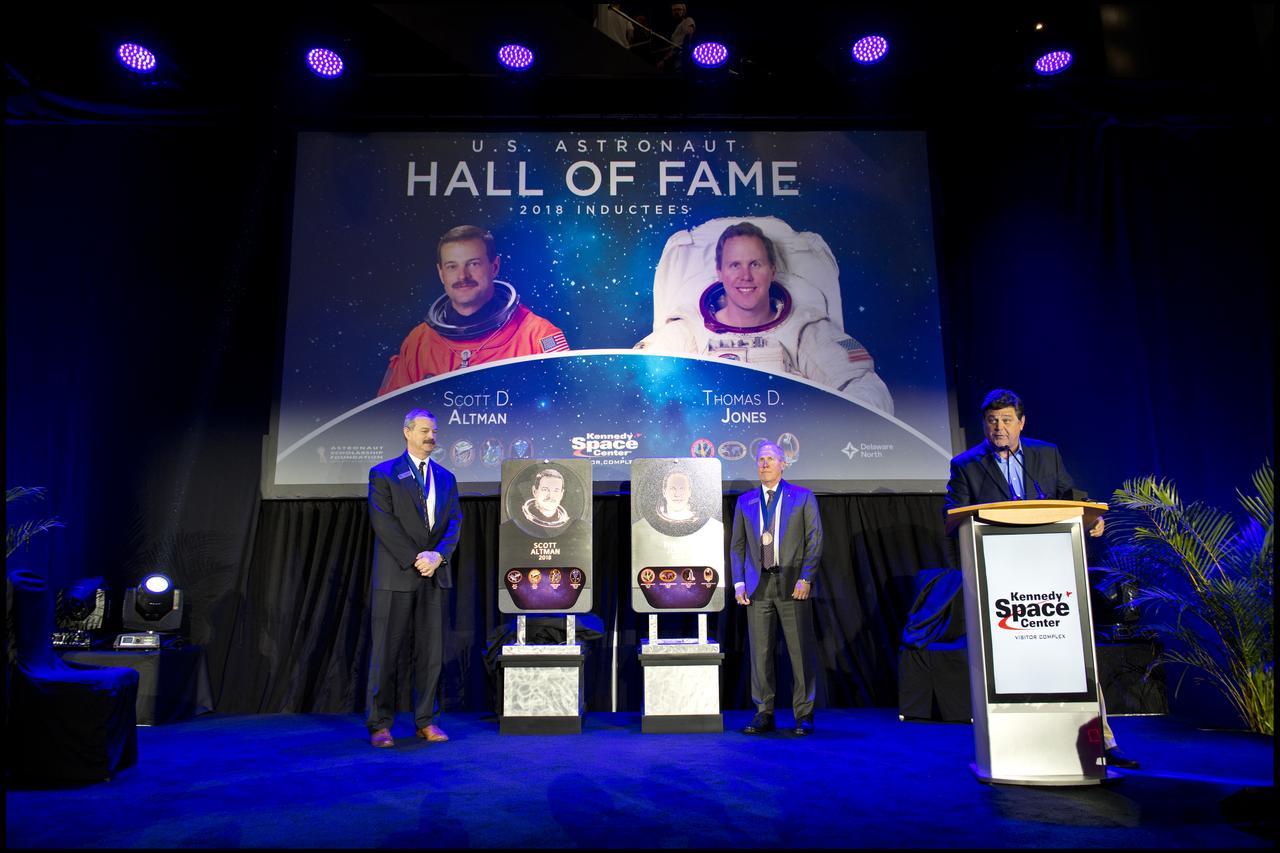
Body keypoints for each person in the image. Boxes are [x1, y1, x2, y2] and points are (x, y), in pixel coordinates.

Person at [944, 388, 1138, 769]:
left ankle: (1103, 742)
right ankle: (1016, 745)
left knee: (1073, 654)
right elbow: (955, 516)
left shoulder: (1045, 454)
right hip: (1000, 576)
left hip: (1053, 572)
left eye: (1006, 421)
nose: (999, 428)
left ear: (1021, 422)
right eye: (992, 421)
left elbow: (1070, 498)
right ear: (985, 424)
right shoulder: (965, 464)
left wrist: (1093, 519)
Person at [635, 220, 894, 414]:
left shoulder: (805, 329)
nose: (745, 276)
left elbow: (867, 391)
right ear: (720, 273)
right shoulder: (688, 330)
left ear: (772, 271)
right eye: (735, 265)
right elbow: (634, 382)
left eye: (755, 264)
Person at [365, 408, 463, 748]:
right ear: (407, 432)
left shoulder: (446, 477)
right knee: (386, 654)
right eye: (424, 430)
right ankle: (379, 724)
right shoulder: (383, 473)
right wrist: (415, 558)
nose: (430, 436)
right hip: (397, 575)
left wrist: (438, 556)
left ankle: (426, 721)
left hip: (434, 576)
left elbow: (453, 523)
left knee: (430, 655)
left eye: (434, 431)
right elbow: (384, 524)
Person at [378, 225, 569, 395]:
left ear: (494, 267)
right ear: (441, 274)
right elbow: (387, 418)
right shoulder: (418, 342)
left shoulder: (538, 337)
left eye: (473, 264)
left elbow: (567, 412)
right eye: (452, 266)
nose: (462, 276)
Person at [730, 441, 823, 736]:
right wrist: (739, 581)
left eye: (770, 459)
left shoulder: (803, 497)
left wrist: (806, 578)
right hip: (758, 587)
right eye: (760, 460)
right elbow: (737, 546)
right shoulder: (746, 501)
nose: (764, 464)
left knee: (799, 652)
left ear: (783, 464)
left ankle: (804, 714)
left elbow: (815, 540)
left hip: (792, 584)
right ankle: (763, 712)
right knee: (760, 654)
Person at [631, 468, 724, 566]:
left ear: (689, 492)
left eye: (682, 488)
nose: (677, 494)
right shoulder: (640, 528)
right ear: (664, 492)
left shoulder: (713, 528)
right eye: (672, 488)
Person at [520, 468, 571, 532]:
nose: (550, 496)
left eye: (556, 491)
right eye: (545, 489)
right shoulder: (519, 524)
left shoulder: (571, 528)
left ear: (561, 494)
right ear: (534, 491)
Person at [656, 4, 695, 71]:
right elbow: (675, 45)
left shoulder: (688, 20)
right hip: (675, 61)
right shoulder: (675, 29)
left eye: (679, 9)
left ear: (684, 11)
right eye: (674, 10)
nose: (676, 11)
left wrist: (664, 60)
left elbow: (688, 38)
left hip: (684, 59)